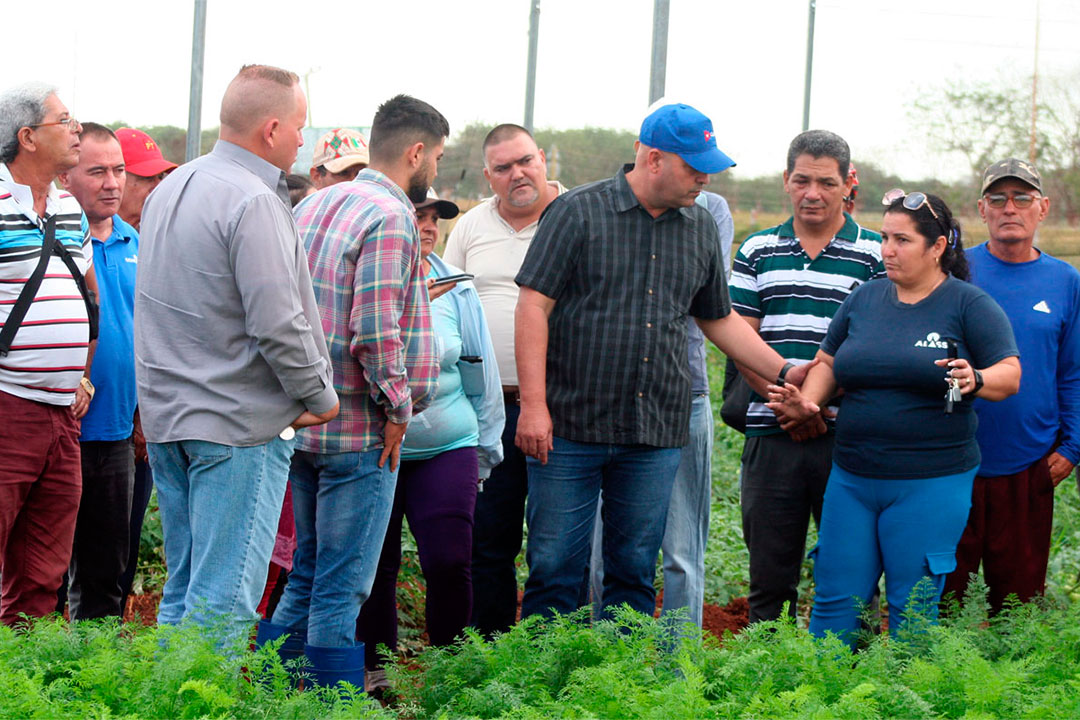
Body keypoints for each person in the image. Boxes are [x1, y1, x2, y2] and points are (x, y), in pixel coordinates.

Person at [514, 103, 810, 621]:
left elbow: (717, 319)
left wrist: (786, 371)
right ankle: (548, 692)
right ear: (653, 159)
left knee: (632, 570)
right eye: (694, 166)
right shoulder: (579, 212)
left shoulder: (698, 227)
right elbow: (533, 305)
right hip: (572, 427)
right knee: (556, 566)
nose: (704, 177)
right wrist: (534, 406)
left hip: (653, 432)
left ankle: (616, 686)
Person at [135, 64, 339, 641]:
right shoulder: (253, 200)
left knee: (185, 593)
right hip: (235, 430)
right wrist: (319, 397)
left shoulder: (172, 186)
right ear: (271, 128)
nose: (304, 139)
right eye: (300, 126)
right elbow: (279, 322)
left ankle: (166, 703)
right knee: (222, 606)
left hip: (173, 420)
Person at [769, 191, 1020, 648]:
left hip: (930, 480)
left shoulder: (968, 304)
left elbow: (1010, 373)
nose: (886, 249)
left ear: (938, 246)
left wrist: (976, 377)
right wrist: (808, 401)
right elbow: (827, 363)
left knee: (913, 606)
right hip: (852, 477)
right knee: (835, 600)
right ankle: (826, 702)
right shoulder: (864, 299)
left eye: (901, 240)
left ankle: (907, 702)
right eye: (884, 237)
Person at [264, 94, 444, 689]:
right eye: (437, 158)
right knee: (344, 586)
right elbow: (373, 331)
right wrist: (397, 408)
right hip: (362, 429)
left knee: (310, 569)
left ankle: (273, 688)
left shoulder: (316, 205)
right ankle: (327, 698)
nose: (436, 172)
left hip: (310, 422)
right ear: (416, 152)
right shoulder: (390, 217)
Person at [729, 130, 884, 624]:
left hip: (847, 436)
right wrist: (789, 407)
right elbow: (742, 343)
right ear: (786, 181)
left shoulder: (877, 254)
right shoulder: (757, 249)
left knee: (852, 569)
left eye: (825, 182)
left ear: (847, 185)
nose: (812, 193)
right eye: (801, 180)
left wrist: (812, 406)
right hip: (770, 433)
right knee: (769, 575)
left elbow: (872, 348)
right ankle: (767, 678)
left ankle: (850, 679)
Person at [358, 189, 504, 694]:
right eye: (416, 214)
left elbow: (480, 369)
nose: (425, 225)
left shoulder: (455, 285)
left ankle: (449, 670)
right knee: (377, 563)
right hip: (378, 445)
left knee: (449, 560)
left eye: (432, 218)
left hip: (449, 444)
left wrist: (486, 447)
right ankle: (378, 671)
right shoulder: (371, 275)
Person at [588, 188, 735, 628]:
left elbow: (708, 301)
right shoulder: (601, 207)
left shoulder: (711, 210)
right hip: (610, 394)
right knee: (605, 546)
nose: (699, 173)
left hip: (684, 390)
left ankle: (678, 670)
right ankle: (607, 660)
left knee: (683, 547)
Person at [442, 123, 566, 637]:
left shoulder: (575, 217)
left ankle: (549, 651)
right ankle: (488, 649)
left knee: (556, 541)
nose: (517, 174)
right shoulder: (471, 227)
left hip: (561, 407)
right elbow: (444, 301)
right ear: (489, 176)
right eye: (502, 168)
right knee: (487, 538)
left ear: (542, 159)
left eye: (524, 161)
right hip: (490, 408)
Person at [944, 159, 1080, 614]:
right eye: (997, 198)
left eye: (1022, 198)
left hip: (1030, 463)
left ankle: (1015, 682)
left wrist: (1072, 447)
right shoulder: (956, 272)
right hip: (954, 461)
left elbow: (1072, 370)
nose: (1010, 208)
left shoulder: (1065, 281)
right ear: (981, 209)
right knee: (945, 605)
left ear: (1042, 208)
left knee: (1017, 612)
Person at [0, 83, 98, 626]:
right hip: (8, 406)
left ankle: (19, 686)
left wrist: (81, 375)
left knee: (43, 570)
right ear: (28, 137)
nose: (77, 129)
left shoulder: (68, 207)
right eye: (66, 120)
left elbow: (88, 296)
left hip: (63, 416)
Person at [58, 123, 138, 620]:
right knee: (45, 569)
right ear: (67, 177)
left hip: (120, 433)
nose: (112, 183)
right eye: (98, 172)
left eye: (119, 170)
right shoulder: (57, 240)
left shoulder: (137, 240)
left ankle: (95, 679)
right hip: (62, 428)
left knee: (109, 570)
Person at [115, 128, 176, 232]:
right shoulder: (83, 235)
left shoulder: (162, 235)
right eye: (147, 178)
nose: (158, 187)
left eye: (161, 177)